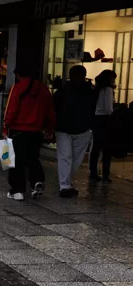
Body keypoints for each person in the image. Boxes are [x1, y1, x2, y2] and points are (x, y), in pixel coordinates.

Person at [3, 67, 55, 201]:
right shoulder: (44, 89)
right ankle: (37, 181)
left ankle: (17, 191)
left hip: (17, 129)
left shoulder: (17, 88)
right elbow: (50, 110)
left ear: (18, 75)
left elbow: (11, 109)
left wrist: (5, 126)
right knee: (32, 158)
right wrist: (50, 127)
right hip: (35, 131)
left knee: (15, 161)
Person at [54, 65, 98, 198]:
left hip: (64, 128)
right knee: (75, 158)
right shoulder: (90, 91)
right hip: (82, 128)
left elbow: (55, 108)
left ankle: (65, 184)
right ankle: (65, 184)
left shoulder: (62, 91)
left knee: (66, 157)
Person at [90, 70, 117, 183]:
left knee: (96, 148)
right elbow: (109, 109)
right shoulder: (108, 90)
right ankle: (105, 174)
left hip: (96, 119)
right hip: (105, 120)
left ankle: (93, 172)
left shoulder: (97, 89)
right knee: (107, 149)